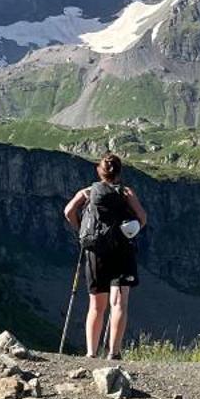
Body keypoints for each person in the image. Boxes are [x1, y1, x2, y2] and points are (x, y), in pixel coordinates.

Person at [63, 153, 148, 360]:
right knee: (119, 303)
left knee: (96, 305)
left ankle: (91, 353)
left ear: (99, 171)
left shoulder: (88, 192)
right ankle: (114, 352)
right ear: (119, 172)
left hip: (95, 252)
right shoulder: (126, 193)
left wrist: (81, 229)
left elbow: (68, 211)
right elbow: (143, 218)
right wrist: (128, 230)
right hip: (121, 251)